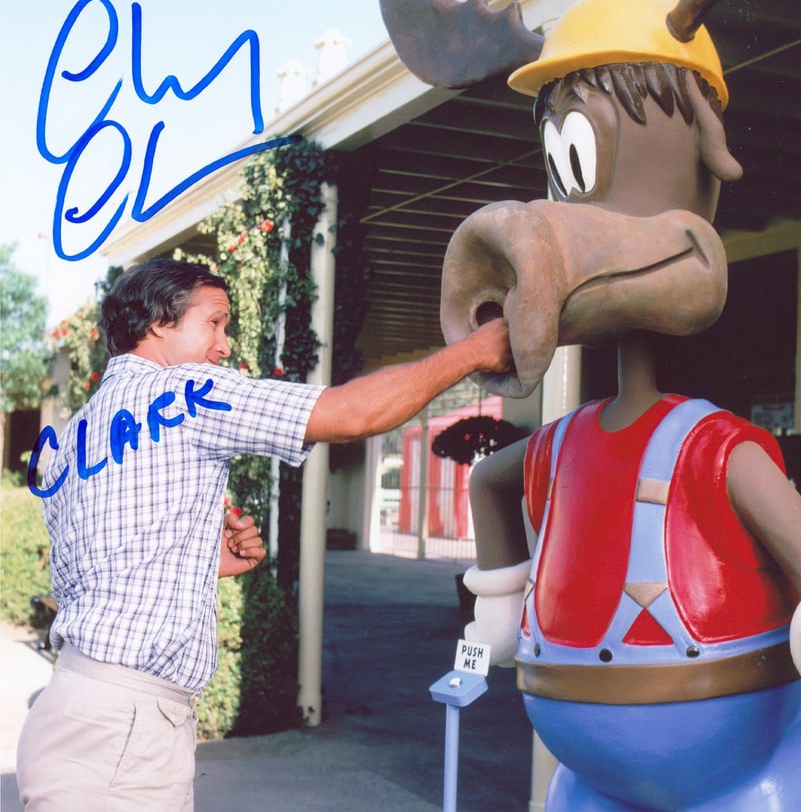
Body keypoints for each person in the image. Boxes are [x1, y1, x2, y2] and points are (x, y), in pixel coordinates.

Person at [17, 257, 511, 811]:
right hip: (125, 730)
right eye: (215, 323)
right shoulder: (184, 393)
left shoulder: (71, 437)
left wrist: (199, 558)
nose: (225, 345)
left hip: (69, 708)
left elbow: (90, 568)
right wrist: (475, 352)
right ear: (158, 324)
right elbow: (351, 413)